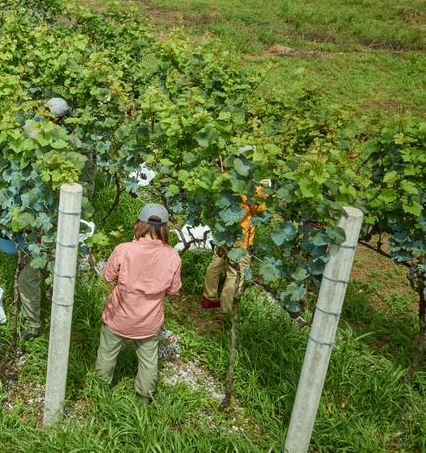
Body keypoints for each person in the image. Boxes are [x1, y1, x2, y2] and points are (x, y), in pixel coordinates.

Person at [18, 97, 97, 339]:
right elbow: (89, 184)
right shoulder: (78, 143)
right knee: (48, 263)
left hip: (49, 217)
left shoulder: (38, 133)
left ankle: (33, 326)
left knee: (30, 275)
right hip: (55, 215)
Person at [94, 203, 182, 404]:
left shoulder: (124, 250)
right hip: (149, 322)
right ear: (164, 229)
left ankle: (99, 388)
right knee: (149, 362)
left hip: (119, 316)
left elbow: (108, 276)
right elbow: (173, 289)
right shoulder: (172, 256)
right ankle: (144, 398)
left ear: (139, 225)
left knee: (107, 354)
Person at [201, 183, 268, 313]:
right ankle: (226, 310)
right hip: (241, 242)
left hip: (225, 235)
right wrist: (267, 191)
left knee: (216, 265)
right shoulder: (254, 191)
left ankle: (209, 298)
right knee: (235, 275)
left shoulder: (233, 181)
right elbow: (262, 209)